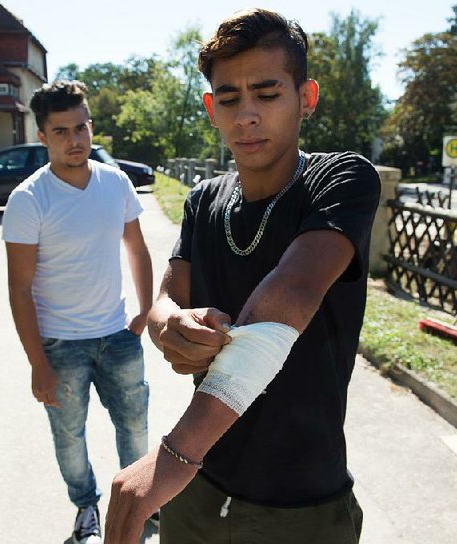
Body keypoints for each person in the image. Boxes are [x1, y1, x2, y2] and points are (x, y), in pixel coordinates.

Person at [105, 8, 381, 543]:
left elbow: (291, 295)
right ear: (211, 108)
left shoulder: (341, 179)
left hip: (301, 506)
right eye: (229, 98)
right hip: (198, 493)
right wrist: (170, 328)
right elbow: (167, 293)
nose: (247, 115)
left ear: (306, 97)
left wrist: (171, 457)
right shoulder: (204, 199)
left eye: (268, 93)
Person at [2, 80, 153, 544]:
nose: (76, 140)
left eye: (82, 128)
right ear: (43, 136)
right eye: (62, 131)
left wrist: (145, 311)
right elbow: (19, 288)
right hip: (60, 346)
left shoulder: (115, 183)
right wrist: (37, 364)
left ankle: (139, 507)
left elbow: (137, 247)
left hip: (118, 336)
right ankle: (86, 509)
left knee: (134, 428)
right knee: (70, 437)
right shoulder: (28, 200)